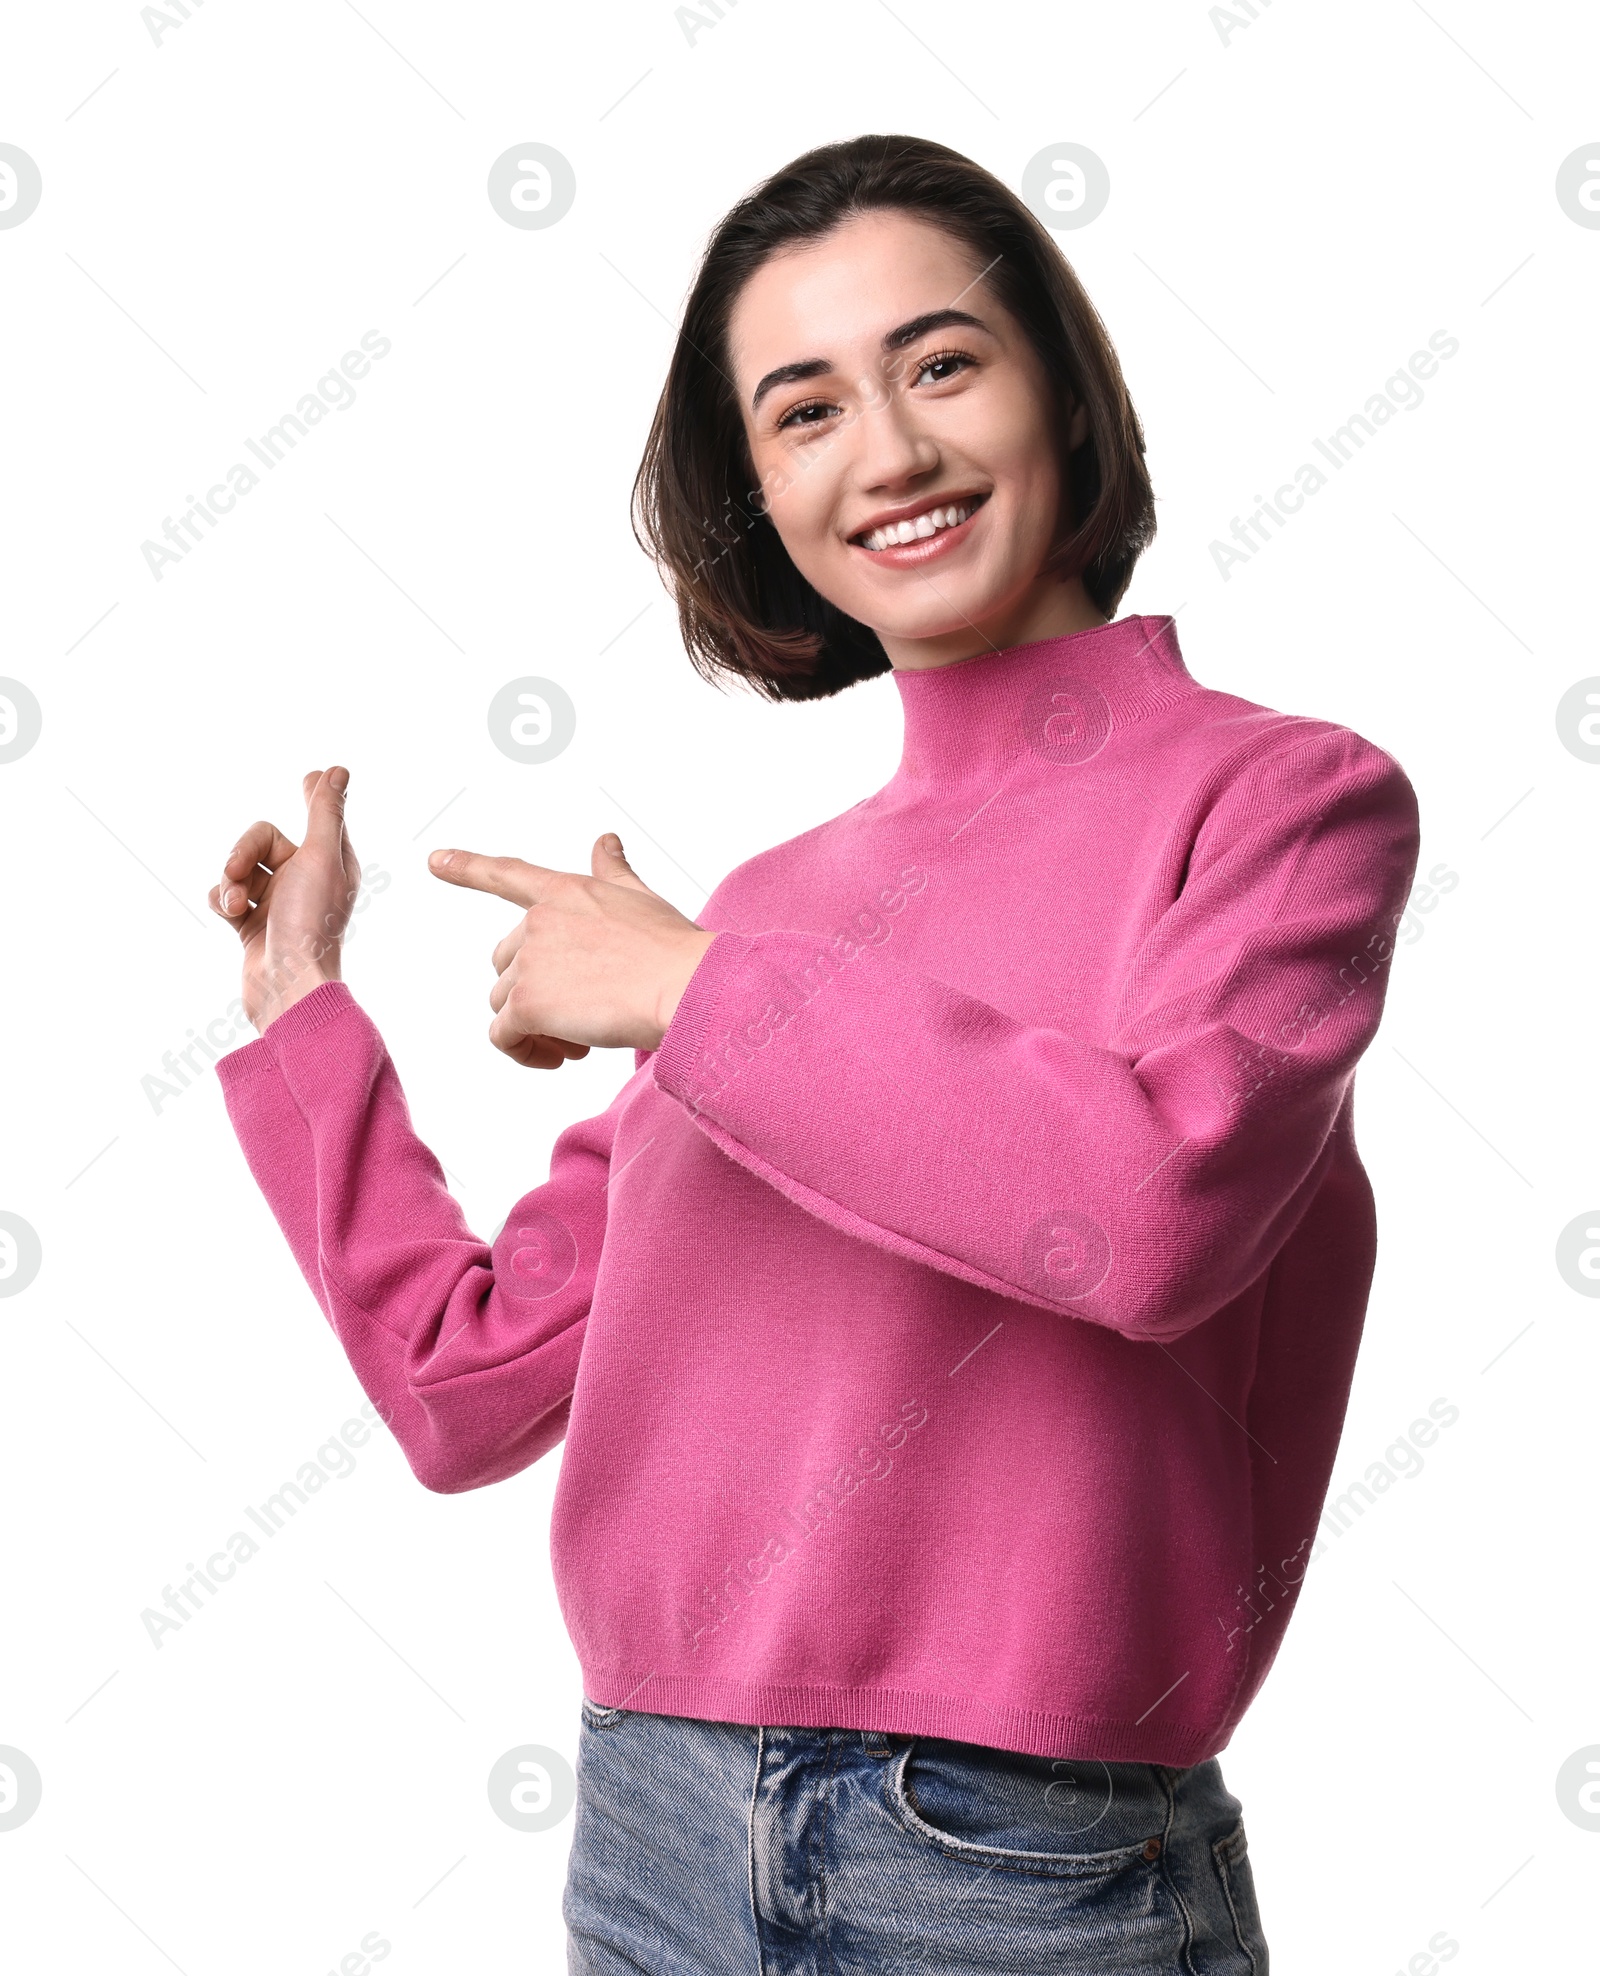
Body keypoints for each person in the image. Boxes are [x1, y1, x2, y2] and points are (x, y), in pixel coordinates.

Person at [209, 134, 1420, 1973]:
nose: (889, 453)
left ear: (1066, 400)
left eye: (941, 365)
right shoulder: (761, 912)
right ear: (758, 494)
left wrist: (691, 992)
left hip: (1021, 1860)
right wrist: (305, 1015)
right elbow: (462, 1391)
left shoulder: (1283, 802)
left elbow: (1153, 1213)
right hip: (656, 1829)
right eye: (803, 412)